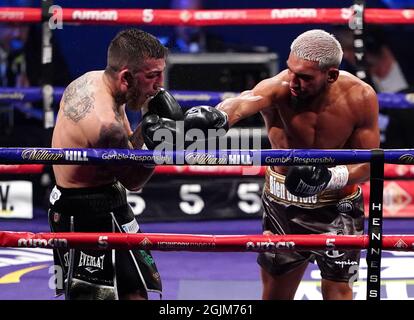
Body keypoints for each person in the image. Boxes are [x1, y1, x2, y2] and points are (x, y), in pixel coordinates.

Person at [183, 29, 380, 300]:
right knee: (276, 295)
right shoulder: (277, 88)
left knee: (339, 294)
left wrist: (328, 178)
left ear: (331, 75)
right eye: (291, 71)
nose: (293, 82)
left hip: (338, 205)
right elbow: (242, 103)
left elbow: (370, 163)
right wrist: (218, 116)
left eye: (305, 77)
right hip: (283, 204)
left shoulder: (360, 97)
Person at [48, 28, 184, 300]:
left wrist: (148, 125)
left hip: (107, 200)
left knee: (137, 293)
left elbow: (125, 150)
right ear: (126, 77)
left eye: (161, 73)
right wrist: (160, 140)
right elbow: (133, 180)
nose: (160, 84)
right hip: (83, 211)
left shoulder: (95, 81)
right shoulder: (103, 123)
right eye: (152, 76)